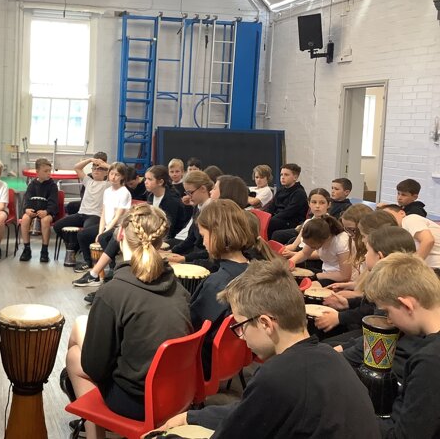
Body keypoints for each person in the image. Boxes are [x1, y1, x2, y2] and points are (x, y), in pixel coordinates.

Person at [151, 258, 380, 438]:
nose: (241, 337)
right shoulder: (328, 356)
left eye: (240, 326)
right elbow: (249, 411)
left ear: (265, 323)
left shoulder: (278, 377)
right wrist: (191, 417)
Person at [64, 204, 192, 439]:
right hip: (178, 393)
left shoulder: (113, 292)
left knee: (74, 356)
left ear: (121, 234)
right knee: (82, 327)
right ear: (161, 241)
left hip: (137, 402)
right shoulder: (178, 288)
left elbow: (95, 368)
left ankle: (94, 433)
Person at [189, 199, 274, 377]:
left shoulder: (218, 284)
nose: (203, 243)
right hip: (237, 356)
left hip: (206, 362)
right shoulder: (257, 270)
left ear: (217, 235)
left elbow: (192, 328)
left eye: (204, 236)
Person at [363, 253, 440, 438]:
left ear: (407, 305)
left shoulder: (430, 362)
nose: (389, 320)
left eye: (387, 312)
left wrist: (354, 411)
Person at [73, 165, 184, 289]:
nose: (145, 182)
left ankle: (104, 274)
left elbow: (168, 229)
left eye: (149, 179)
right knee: (114, 236)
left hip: (161, 236)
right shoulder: (151, 196)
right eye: (145, 178)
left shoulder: (171, 200)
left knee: (117, 237)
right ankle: (100, 273)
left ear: (160, 182)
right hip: (149, 232)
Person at [316, 227, 417, 337]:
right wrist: (348, 303)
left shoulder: (389, 287)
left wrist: (340, 318)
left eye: (368, 251)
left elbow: (372, 314)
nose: (365, 255)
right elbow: (369, 305)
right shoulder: (392, 279)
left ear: (380, 257)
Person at [53, 152, 110, 267]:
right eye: (94, 168)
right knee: (57, 226)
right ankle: (74, 246)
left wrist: (104, 164)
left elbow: (120, 172)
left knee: (86, 233)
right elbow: (77, 167)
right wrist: (90, 160)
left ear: (106, 173)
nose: (96, 170)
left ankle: (87, 259)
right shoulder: (88, 181)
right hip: (81, 214)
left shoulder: (108, 185)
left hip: (95, 216)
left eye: (100, 169)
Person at [76, 162, 131, 273]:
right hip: (107, 225)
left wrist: (102, 233)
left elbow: (117, 217)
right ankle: (88, 262)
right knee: (82, 234)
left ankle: (112, 267)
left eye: (117, 175)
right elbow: (103, 213)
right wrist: (100, 231)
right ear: (108, 174)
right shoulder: (107, 191)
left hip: (119, 227)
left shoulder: (124, 192)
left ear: (122, 177)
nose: (113, 177)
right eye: (112, 174)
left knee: (102, 238)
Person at [288, 215, 351, 284]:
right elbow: (304, 253)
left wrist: (316, 276)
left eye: (313, 246)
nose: (310, 247)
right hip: (326, 271)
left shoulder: (341, 243)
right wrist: (292, 261)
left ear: (325, 238)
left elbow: (345, 276)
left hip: (341, 278)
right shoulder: (316, 236)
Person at [18, 158, 58, 263]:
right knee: (25, 219)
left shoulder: (52, 186)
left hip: (47, 212)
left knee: (45, 220)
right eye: (45, 171)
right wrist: (27, 209)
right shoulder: (32, 185)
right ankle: (27, 249)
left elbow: (53, 203)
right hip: (33, 212)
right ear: (37, 172)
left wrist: (47, 211)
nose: (49, 173)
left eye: (49, 170)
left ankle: (44, 251)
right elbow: (27, 200)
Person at [168, 170, 214, 263]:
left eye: (190, 192)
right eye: (187, 193)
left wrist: (185, 258)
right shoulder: (198, 206)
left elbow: (211, 249)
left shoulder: (212, 211)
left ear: (203, 189)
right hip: (197, 254)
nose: (189, 196)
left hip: (207, 259)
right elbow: (191, 238)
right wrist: (171, 251)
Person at [379, 204, 440, 268]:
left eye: (388, 215)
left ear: (402, 213)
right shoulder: (401, 234)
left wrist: (412, 266)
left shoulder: (409, 219)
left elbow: (428, 240)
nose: (386, 219)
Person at [279, 187, 331, 257]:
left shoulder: (329, 225)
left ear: (329, 204)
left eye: (322, 203)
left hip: (310, 258)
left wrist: (292, 254)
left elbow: (320, 254)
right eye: (314, 202)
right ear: (309, 203)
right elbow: (293, 246)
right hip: (299, 252)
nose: (317, 206)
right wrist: (278, 251)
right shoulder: (307, 222)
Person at [263, 163, 308, 240]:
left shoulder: (299, 193)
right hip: (278, 218)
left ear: (295, 177)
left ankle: (267, 244)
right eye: (281, 175)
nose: (282, 177)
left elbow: (288, 212)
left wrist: (270, 219)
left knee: (271, 222)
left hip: (292, 222)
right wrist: (265, 216)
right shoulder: (281, 190)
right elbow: (272, 206)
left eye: (286, 175)